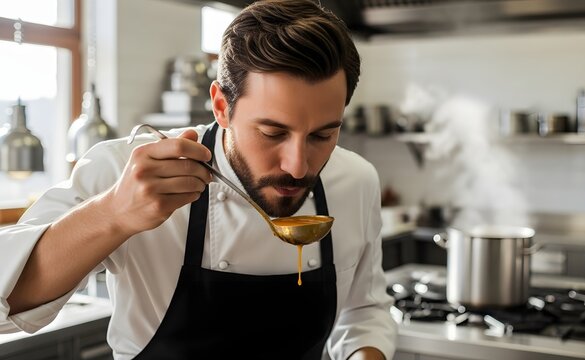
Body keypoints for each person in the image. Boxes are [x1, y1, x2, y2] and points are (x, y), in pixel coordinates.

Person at [0, 0, 398, 359]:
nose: (298, 166)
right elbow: (6, 304)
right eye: (273, 133)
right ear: (222, 107)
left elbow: (363, 311)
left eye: (322, 135)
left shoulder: (356, 181)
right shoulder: (125, 172)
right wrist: (113, 214)